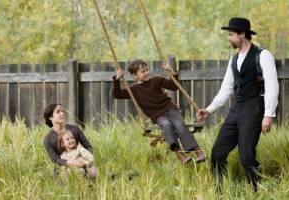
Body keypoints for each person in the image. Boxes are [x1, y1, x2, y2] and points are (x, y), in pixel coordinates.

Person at [196, 17, 279, 191]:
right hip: (236, 110)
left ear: (243, 34)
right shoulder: (233, 60)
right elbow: (226, 89)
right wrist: (209, 110)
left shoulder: (262, 55)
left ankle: (256, 190)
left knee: (247, 156)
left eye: (231, 34)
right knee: (217, 153)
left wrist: (268, 115)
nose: (229, 38)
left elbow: (272, 85)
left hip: (254, 108)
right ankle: (220, 190)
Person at [111, 59, 206, 165]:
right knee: (166, 124)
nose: (147, 72)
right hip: (157, 115)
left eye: (147, 70)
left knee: (179, 124)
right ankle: (180, 155)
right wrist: (117, 79)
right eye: (143, 71)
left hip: (170, 109)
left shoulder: (156, 80)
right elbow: (116, 94)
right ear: (135, 76)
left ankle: (198, 152)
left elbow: (174, 87)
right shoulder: (133, 89)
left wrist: (172, 72)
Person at [43, 103, 97, 178]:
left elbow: (89, 147)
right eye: (58, 112)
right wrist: (70, 162)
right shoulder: (48, 139)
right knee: (78, 173)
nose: (62, 113)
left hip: (81, 160)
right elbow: (54, 159)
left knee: (93, 172)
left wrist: (84, 158)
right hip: (63, 167)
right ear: (50, 117)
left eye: (62, 111)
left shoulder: (75, 129)